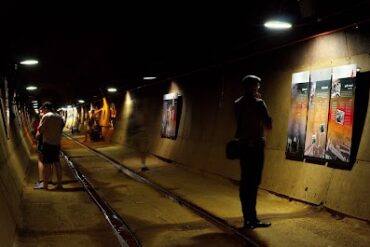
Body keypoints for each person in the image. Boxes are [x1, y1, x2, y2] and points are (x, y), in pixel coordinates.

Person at [234, 75, 272, 230]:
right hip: (255, 147)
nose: (258, 88)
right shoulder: (259, 103)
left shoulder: (237, 104)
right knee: (254, 182)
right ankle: (253, 218)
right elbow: (268, 122)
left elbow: (239, 122)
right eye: (257, 85)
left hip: (243, 146)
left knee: (245, 182)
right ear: (254, 87)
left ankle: (246, 218)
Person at [35, 101, 65, 190]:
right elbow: (61, 128)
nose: (42, 111)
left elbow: (40, 129)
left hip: (47, 143)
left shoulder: (46, 116)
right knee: (57, 163)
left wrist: (37, 136)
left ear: (46, 108)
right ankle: (59, 184)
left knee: (47, 164)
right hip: (56, 143)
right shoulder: (59, 117)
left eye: (42, 109)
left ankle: (45, 185)